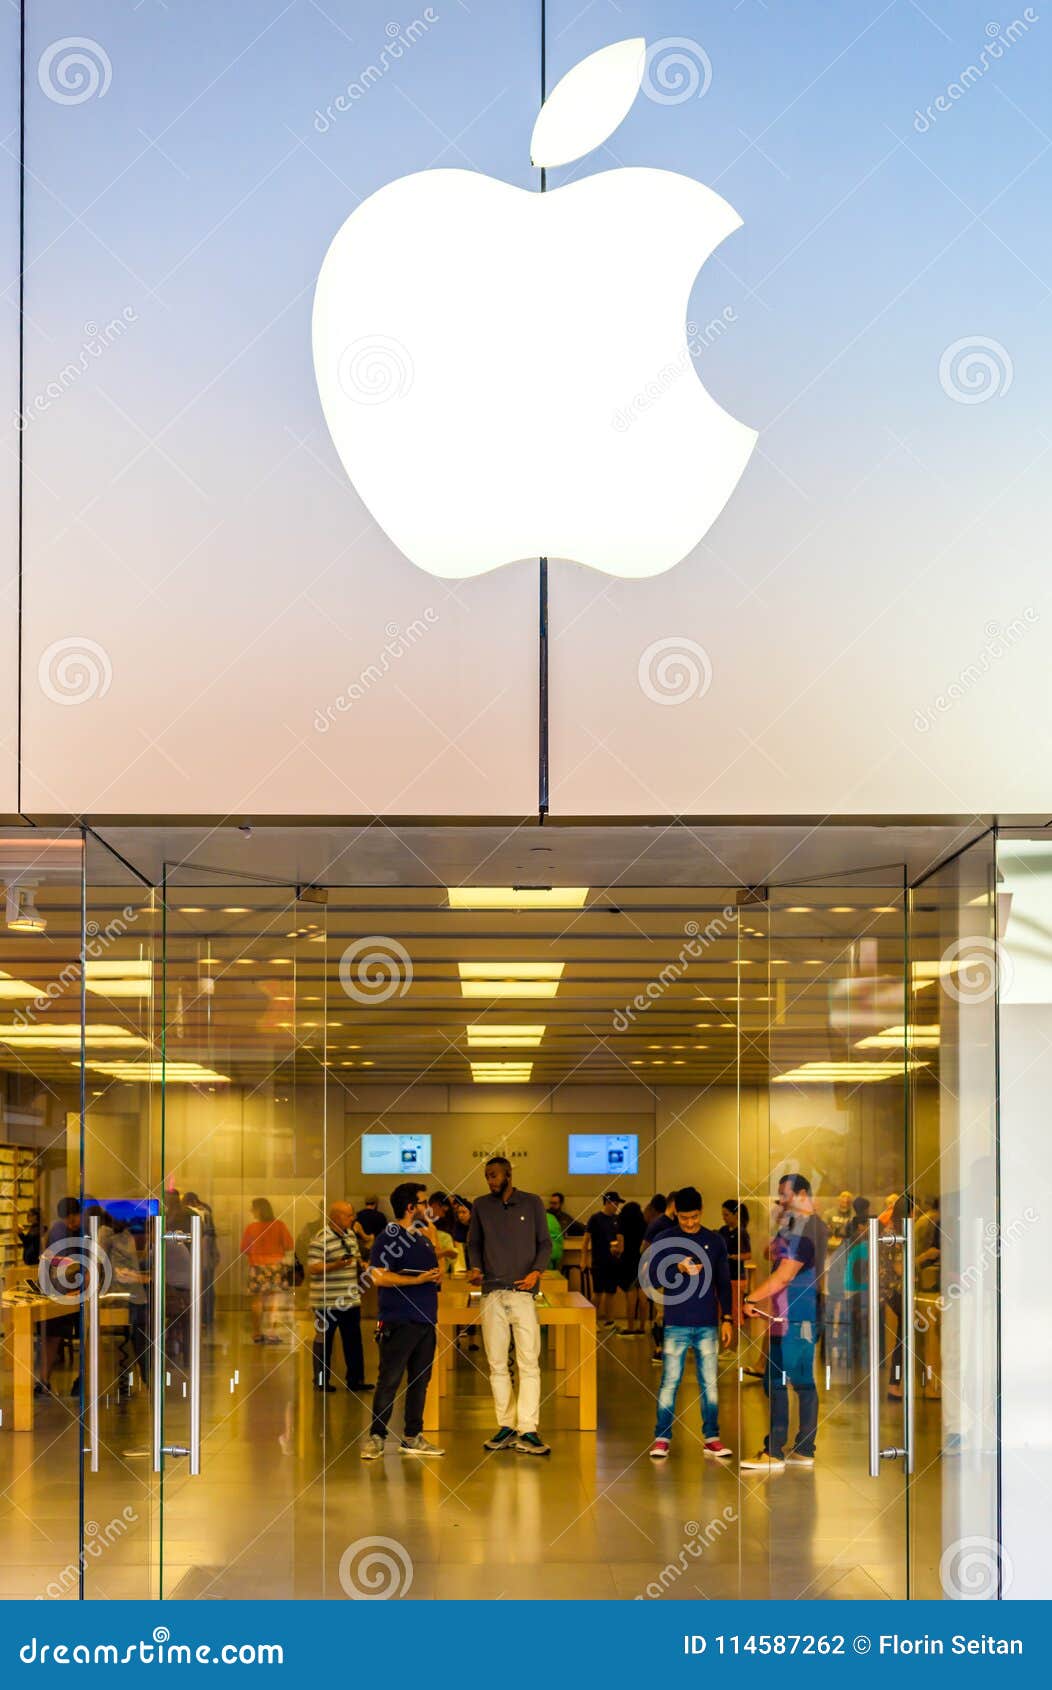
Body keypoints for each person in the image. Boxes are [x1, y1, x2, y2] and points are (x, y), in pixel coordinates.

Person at [467, 1155, 552, 1456]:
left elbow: (545, 1243)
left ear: (508, 1175)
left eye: (494, 1175)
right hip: (491, 1294)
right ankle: (505, 1425)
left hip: (523, 1293)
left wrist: (536, 1272)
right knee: (497, 1364)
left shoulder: (532, 1203)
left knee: (529, 1363)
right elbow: (473, 1243)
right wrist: (475, 1267)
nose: (490, 1180)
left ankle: (528, 1429)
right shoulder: (480, 1205)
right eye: (487, 1176)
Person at [740, 1180, 821, 1473]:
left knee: (777, 1381)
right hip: (795, 1317)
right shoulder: (801, 1231)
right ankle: (803, 1448)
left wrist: (750, 1298)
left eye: (784, 1197)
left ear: (800, 1196)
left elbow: (783, 1277)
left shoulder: (804, 1234)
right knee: (800, 1382)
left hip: (795, 1319)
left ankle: (774, 1451)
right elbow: (769, 1255)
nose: (780, 1203)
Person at [646, 1187, 733, 1460]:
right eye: (684, 1218)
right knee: (670, 1381)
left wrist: (727, 1318)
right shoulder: (665, 1239)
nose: (690, 1223)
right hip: (676, 1322)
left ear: (701, 1212)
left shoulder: (715, 1241)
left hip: (707, 1322)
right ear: (676, 1214)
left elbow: (723, 1283)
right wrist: (677, 1268)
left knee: (710, 1383)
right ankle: (662, 1438)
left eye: (694, 1217)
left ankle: (712, 1437)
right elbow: (651, 1277)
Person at [360, 1184, 444, 1459]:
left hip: (425, 1320)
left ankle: (413, 1435)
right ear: (411, 1207)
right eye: (422, 1203)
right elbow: (377, 1276)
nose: (427, 1207)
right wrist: (416, 1280)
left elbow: (435, 1268)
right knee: (390, 1379)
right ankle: (377, 1436)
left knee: (420, 1380)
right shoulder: (389, 1236)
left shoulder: (421, 1236)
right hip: (399, 1321)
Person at [309, 1200, 372, 1392]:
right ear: (335, 1217)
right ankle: (321, 1381)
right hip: (327, 1301)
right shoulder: (321, 1238)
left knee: (353, 1340)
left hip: (349, 1299)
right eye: (348, 1215)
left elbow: (356, 1257)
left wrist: (362, 1264)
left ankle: (356, 1380)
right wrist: (335, 1265)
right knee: (324, 1341)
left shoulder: (351, 1235)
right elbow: (313, 1267)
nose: (353, 1218)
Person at [239, 1197, 293, 1344]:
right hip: (276, 1266)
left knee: (257, 1301)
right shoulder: (279, 1225)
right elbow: (289, 1245)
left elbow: (244, 1248)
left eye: (253, 1208)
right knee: (274, 1301)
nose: (251, 1211)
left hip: (257, 1267)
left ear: (258, 1210)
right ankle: (271, 1332)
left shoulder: (251, 1228)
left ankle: (257, 1332)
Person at [107, 1219, 149, 1396]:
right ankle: (144, 1379)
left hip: (127, 1296)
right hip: (132, 1297)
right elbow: (123, 1271)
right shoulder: (125, 1239)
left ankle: (135, 1379)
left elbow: (121, 1271)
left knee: (133, 1340)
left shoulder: (114, 1238)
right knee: (136, 1340)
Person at [643, 1194, 675, 1363]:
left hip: (674, 1275)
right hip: (659, 1276)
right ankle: (659, 1348)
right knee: (662, 1313)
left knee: (669, 1313)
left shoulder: (675, 1224)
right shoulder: (658, 1224)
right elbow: (645, 1248)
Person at [585, 1192, 623, 1328]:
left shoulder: (617, 1219)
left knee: (611, 1292)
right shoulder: (595, 1219)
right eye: (615, 1204)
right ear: (608, 1203)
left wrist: (618, 1250)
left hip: (613, 1262)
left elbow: (619, 1240)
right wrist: (584, 1259)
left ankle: (609, 1320)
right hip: (599, 1262)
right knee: (598, 1293)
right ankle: (590, 1320)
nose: (617, 1207)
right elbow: (586, 1241)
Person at [183, 1191, 219, 1327]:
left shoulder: (193, 1212)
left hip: (198, 1253)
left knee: (199, 1286)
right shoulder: (206, 1209)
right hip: (207, 1254)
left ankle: (200, 1317)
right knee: (208, 1286)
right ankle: (207, 1317)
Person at [615, 1200, 648, 1336]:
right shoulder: (645, 1224)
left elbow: (620, 1247)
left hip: (628, 1260)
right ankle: (642, 1326)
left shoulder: (622, 1225)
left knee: (631, 1294)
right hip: (642, 1260)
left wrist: (614, 1251)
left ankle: (630, 1327)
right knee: (643, 1294)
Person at [719, 1199, 751, 1329]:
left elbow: (748, 1254)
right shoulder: (723, 1230)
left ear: (736, 1214)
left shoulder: (741, 1232)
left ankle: (735, 1344)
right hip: (724, 1277)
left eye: (726, 1215)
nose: (724, 1218)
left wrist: (733, 1257)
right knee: (723, 1311)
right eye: (723, 1215)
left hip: (736, 1277)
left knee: (735, 1312)